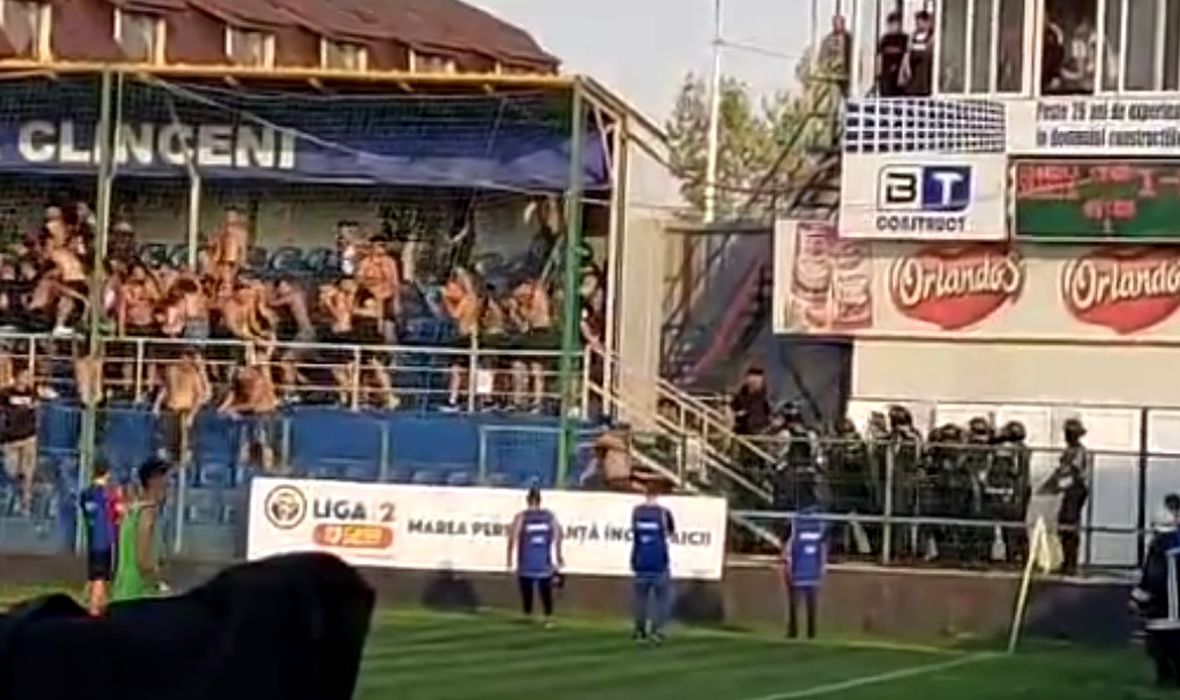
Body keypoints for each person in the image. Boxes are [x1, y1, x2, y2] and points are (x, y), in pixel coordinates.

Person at [1132, 494, 1180, 687]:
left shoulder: (1159, 548)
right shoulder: (1172, 546)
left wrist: (1137, 600)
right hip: (1170, 611)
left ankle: (1165, 677)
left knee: (1160, 644)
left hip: (1163, 610)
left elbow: (1151, 577)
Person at [111, 458, 171, 603]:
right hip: (139, 594)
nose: (169, 486)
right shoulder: (148, 513)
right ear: (155, 481)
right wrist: (160, 586)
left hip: (123, 592)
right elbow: (144, 562)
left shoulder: (132, 512)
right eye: (166, 482)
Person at [506, 487, 564, 626]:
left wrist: (509, 558)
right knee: (545, 592)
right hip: (543, 561)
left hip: (527, 561)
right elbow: (558, 536)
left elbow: (512, 537)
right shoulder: (549, 516)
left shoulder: (522, 517)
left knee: (528, 592)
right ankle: (548, 617)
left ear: (528, 500)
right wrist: (558, 555)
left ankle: (529, 616)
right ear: (539, 500)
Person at [1042, 417, 1089, 576]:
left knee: (1070, 523)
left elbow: (1073, 473)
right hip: (1068, 488)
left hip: (1075, 489)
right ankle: (1065, 560)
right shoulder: (1069, 450)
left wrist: (1058, 485)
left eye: (1070, 433)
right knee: (1063, 524)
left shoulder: (1079, 451)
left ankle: (1071, 563)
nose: (1067, 436)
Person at [631, 481, 675, 644]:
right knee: (662, 600)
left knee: (640, 601)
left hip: (640, 561)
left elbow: (636, 535)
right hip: (659, 562)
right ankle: (658, 631)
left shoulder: (637, 512)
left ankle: (640, 631)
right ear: (658, 495)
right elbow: (670, 533)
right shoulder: (664, 513)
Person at [79, 459, 122, 616]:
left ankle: (99, 612)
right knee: (100, 579)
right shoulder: (107, 495)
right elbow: (119, 512)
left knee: (98, 579)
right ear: (107, 473)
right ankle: (94, 613)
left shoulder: (86, 494)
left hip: (93, 541)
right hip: (106, 541)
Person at [782, 507, 826, 639]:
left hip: (799, 570)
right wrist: (822, 566)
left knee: (797, 603)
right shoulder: (818, 526)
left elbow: (788, 549)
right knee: (809, 603)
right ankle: (809, 632)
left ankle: (795, 631)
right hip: (810, 570)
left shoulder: (796, 525)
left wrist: (788, 565)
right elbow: (822, 548)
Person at [0, 367, 39, 514]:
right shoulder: (5, 393)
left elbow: (37, 409)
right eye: (24, 376)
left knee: (28, 472)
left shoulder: (32, 393)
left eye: (29, 376)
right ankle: (14, 497)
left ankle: (26, 503)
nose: (27, 379)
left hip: (28, 436)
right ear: (16, 377)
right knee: (12, 471)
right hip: (10, 438)